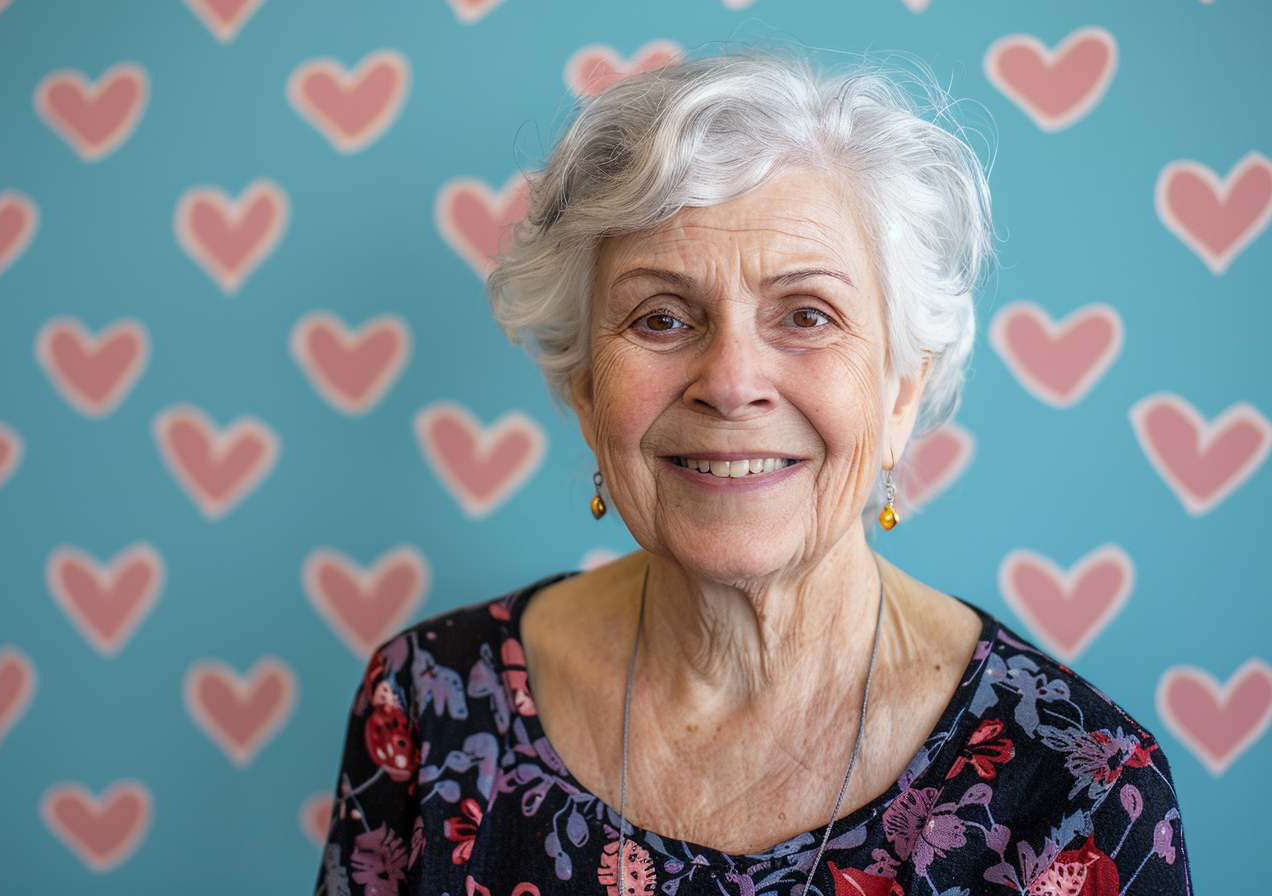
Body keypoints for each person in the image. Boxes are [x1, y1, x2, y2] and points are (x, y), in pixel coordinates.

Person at [315, 51, 1191, 896]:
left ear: (900, 394)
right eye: (660, 318)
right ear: (584, 390)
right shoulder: (428, 707)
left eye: (807, 314)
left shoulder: (1081, 792)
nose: (731, 382)